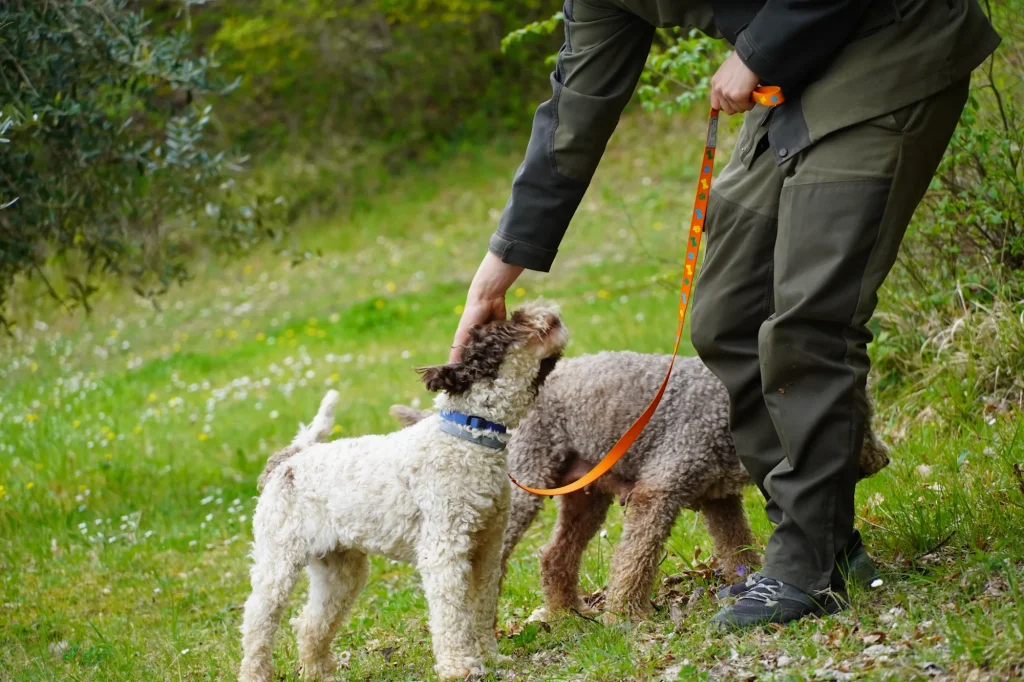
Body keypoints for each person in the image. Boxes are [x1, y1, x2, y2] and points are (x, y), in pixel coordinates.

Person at [448, 0, 1001, 629]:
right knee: (727, 318)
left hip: (888, 41)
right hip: (795, 73)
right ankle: (826, 536)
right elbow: (573, 117)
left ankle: (805, 565)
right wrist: (493, 279)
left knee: (807, 324)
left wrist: (757, 52)